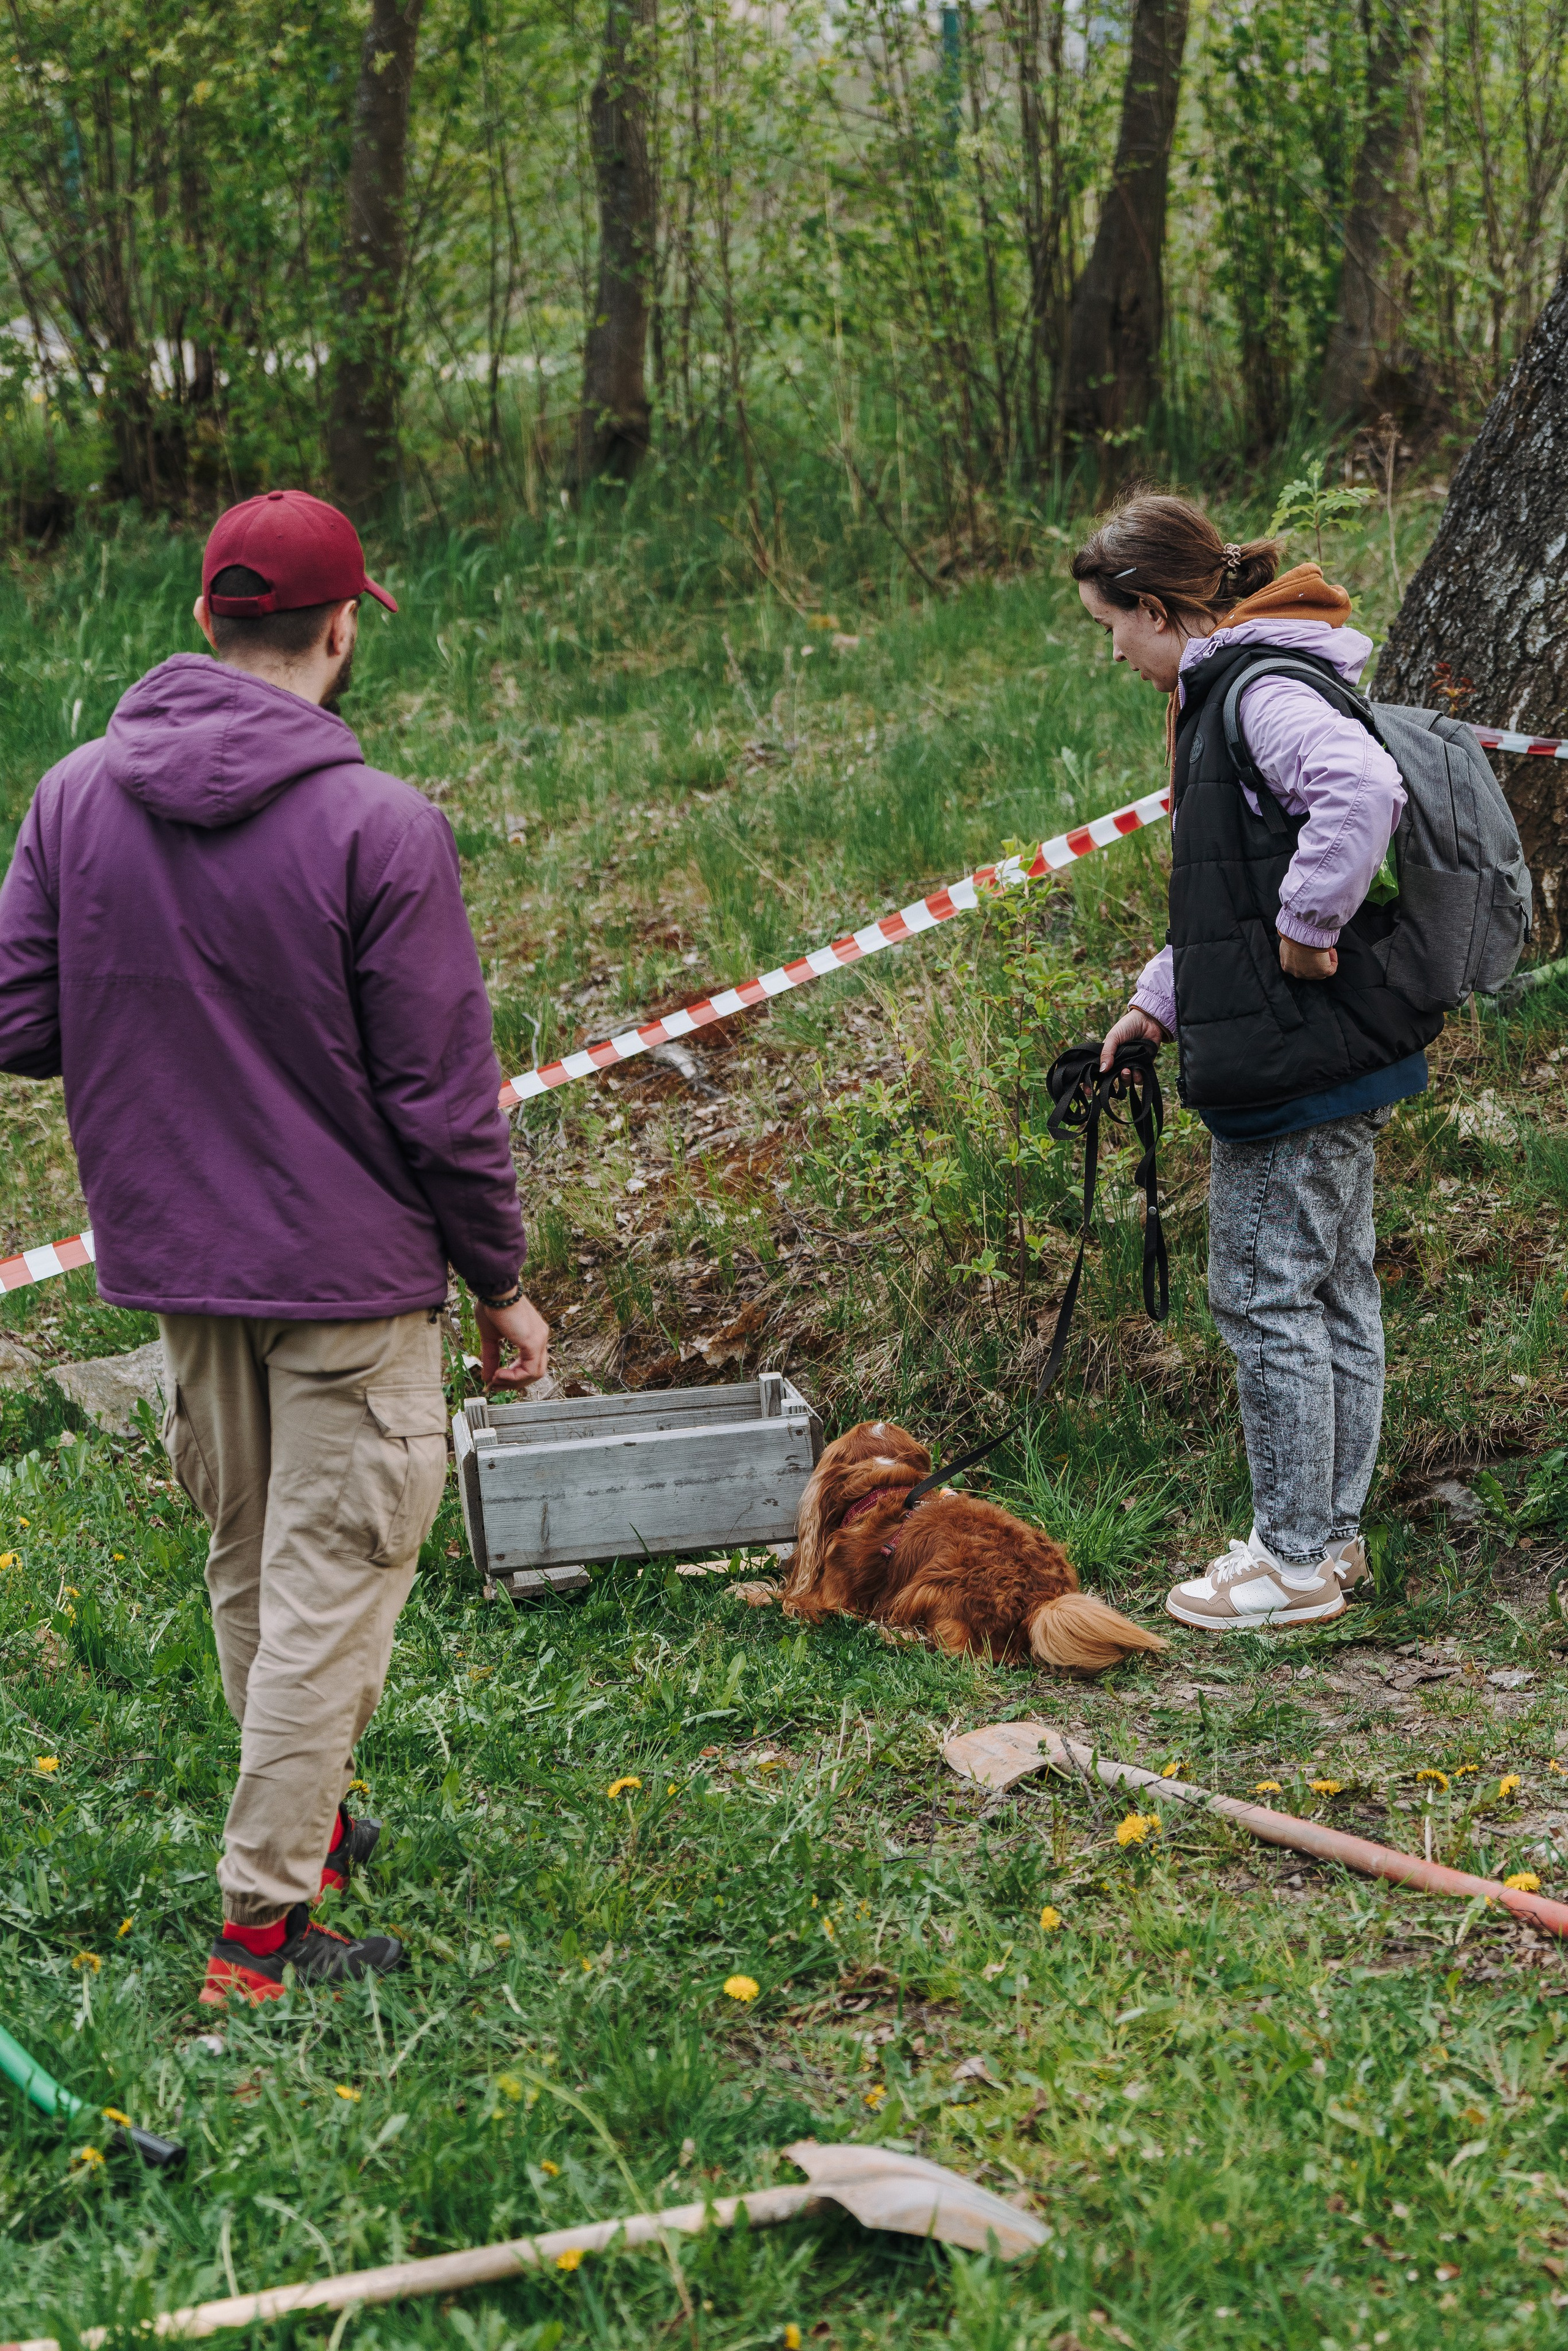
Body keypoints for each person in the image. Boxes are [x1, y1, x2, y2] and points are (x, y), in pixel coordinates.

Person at [0, 489, 549, 2001]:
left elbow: (19, 1018)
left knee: (257, 1567)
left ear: (202, 621)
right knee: (331, 1575)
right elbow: (444, 1103)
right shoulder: (381, 826)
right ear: (342, 625)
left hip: (178, 1265)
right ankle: (260, 1933)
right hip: (348, 1277)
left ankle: (301, 1840)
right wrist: (499, 1283)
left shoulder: (70, 796)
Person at [1071, 493, 1442, 1632]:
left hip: (1295, 1061)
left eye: (1111, 628)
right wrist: (1158, 1002)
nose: (1115, 652)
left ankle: (1286, 1562)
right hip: (1314, 1052)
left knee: (1264, 1292)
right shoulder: (1238, 688)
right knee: (1334, 1288)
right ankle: (1329, 1543)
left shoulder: (1259, 691)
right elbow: (1230, 890)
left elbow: (1360, 792)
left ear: (1156, 607)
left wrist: (1309, 926)